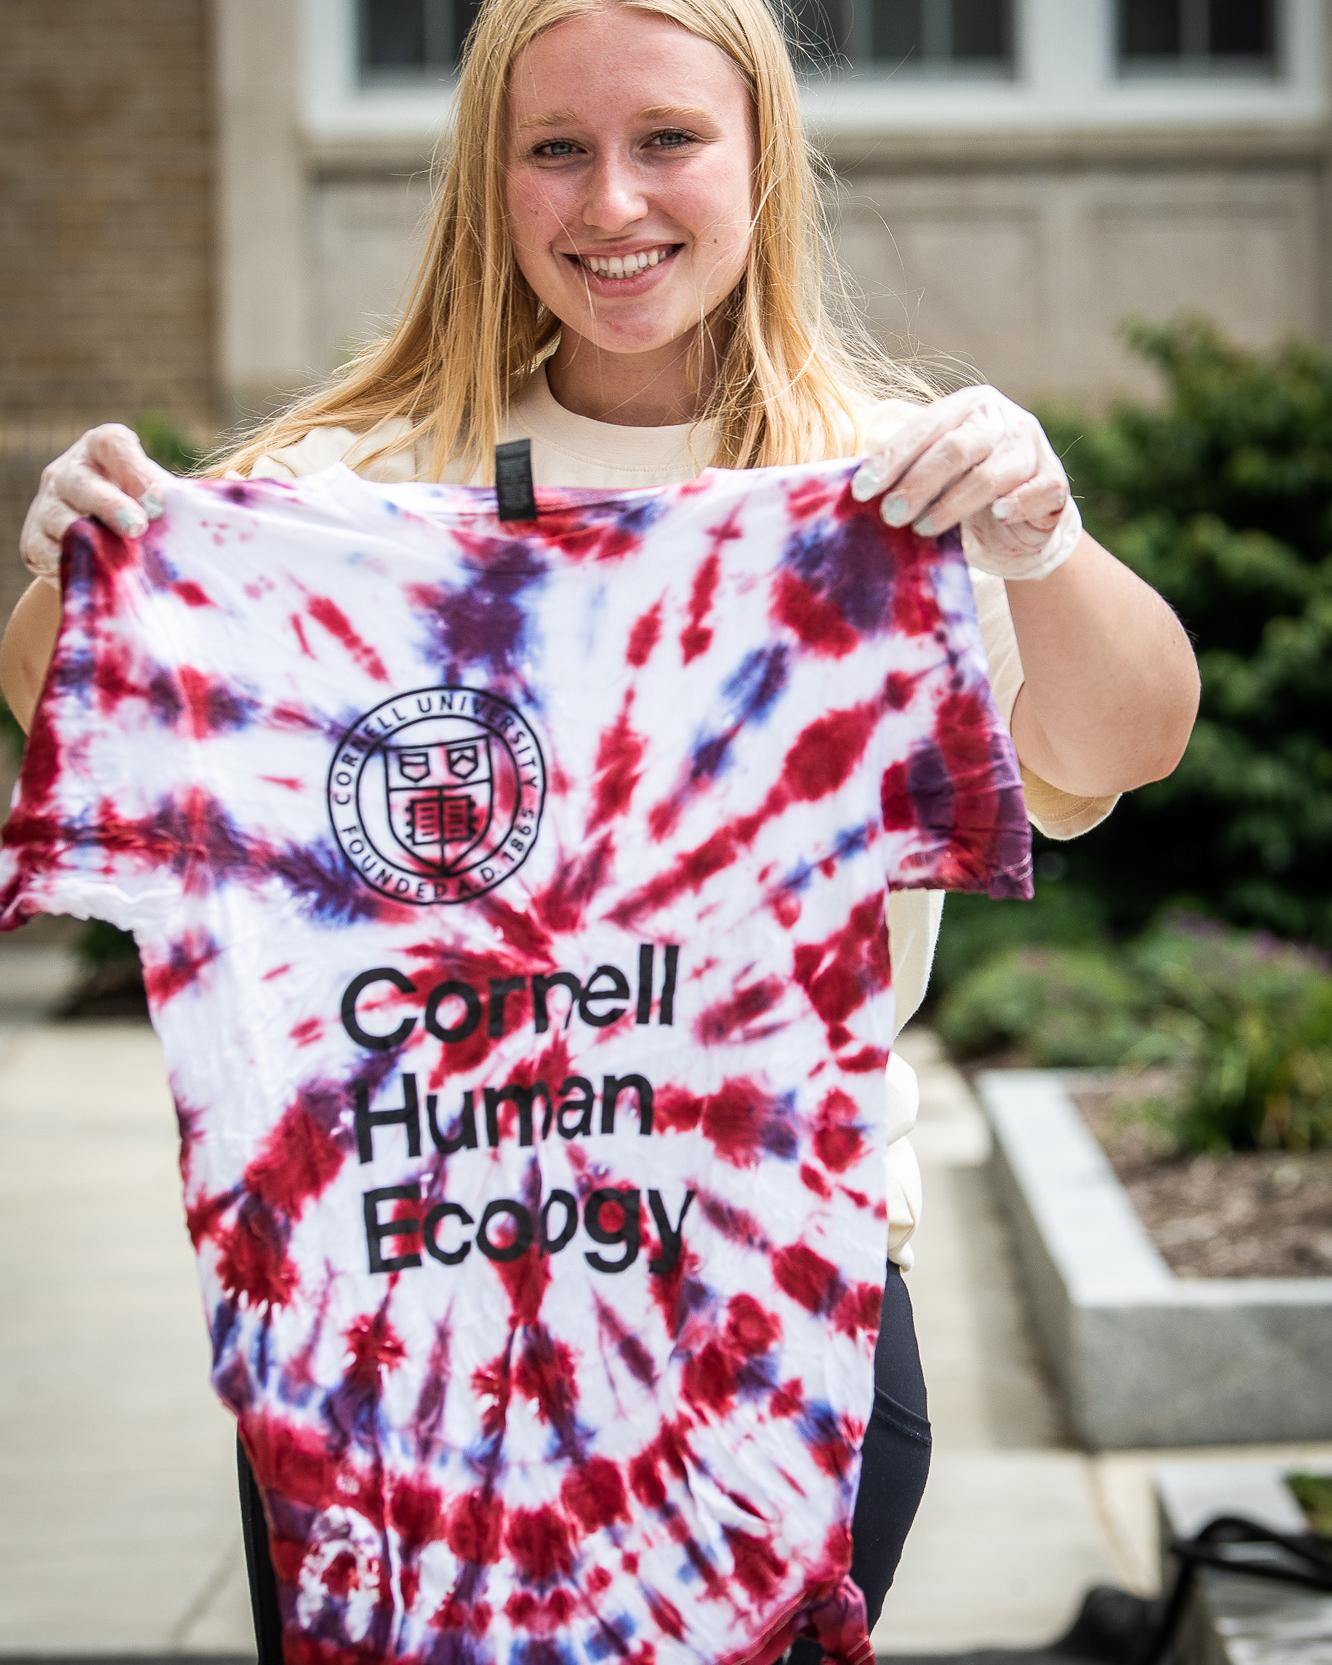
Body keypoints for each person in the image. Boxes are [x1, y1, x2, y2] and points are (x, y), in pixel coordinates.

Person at [1, 0, 1200, 1656]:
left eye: (668, 140)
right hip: (396, 1347)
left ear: (762, 156)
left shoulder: (881, 492)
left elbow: (1120, 744)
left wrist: (1042, 542)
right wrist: (79, 560)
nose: (611, 201)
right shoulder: (371, 482)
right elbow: (81, 701)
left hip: (766, 1324)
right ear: (488, 181)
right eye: (555, 148)